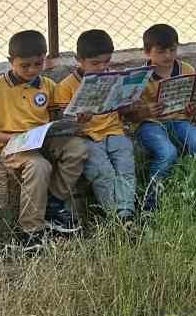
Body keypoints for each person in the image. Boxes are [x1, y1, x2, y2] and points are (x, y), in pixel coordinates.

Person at [0, 30, 86, 249]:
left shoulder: (47, 85)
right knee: (38, 165)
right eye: (25, 65)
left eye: (38, 63)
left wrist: (73, 123)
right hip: (12, 144)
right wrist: (8, 138)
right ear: (10, 61)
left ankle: (53, 204)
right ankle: (31, 232)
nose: (32, 70)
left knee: (77, 149)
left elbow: (56, 118)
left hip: (42, 139)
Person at [56, 29, 136, 224]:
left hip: (114, 131)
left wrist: (130, 97)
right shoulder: (66, 87)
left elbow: (123, 107)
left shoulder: (114, 77)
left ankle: (126, 213)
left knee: (125, 166)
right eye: (95, 63)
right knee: (102, 171)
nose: (102, 67)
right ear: (79, 60)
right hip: (87, 136)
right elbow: (64, 124)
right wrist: (78, 119)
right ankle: (114, 214)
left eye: (106, 61)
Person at [130, 23, 196, 210]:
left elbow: (192, 101)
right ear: (147, 52)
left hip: (179, 120)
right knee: (167, 153)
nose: (168, 56)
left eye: (172, 50)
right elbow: (129, 115)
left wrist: (191, 109)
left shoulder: (187, 69)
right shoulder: (138, 77)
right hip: (149, 124)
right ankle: (151, 203)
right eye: (161, 52)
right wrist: (146, 111)